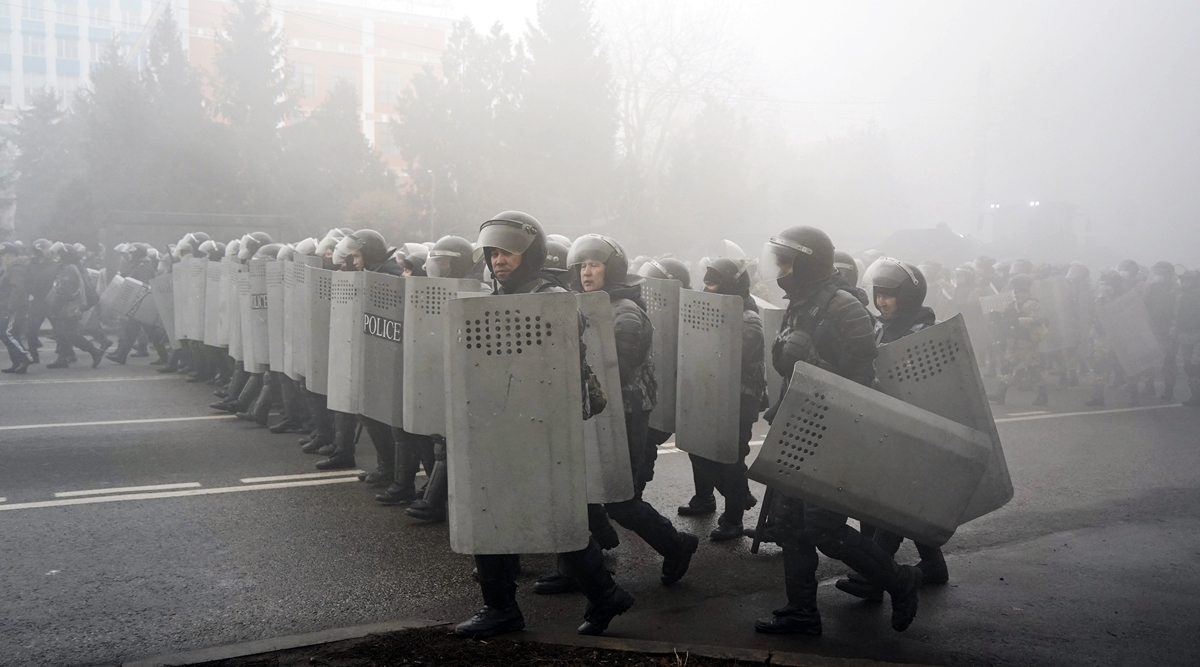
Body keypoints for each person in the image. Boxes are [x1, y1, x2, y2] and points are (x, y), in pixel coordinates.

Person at [454, 211, 635, 639]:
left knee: (542, 516)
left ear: (530, 254)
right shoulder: (495, 295)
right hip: (502, 419)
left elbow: (552, 369)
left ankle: (513, 608)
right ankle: (595, 596)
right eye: (494, 253)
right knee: (510, 510)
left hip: (542, 421)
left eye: (509, 252)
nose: (499, 260)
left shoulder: (553, 298)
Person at [753, 226, 922, 636]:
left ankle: (900, 583)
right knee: (790, 525)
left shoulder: (844, 307)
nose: (782, 270)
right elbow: (784, 362)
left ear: (809, 263)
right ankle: (802, 613)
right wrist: (788, 355)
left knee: (825, 530)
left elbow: (863, 379)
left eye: (789, 261)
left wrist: (812, 359)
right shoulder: (802, 302)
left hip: (837, 428)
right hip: (802, 420)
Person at [536, 234, 698, 594]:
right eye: (582, 265)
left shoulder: (625, 311)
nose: (586, 272)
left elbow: (617, 367)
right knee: (578, 489)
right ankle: (575, 567)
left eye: (594, 264)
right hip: (593, 409)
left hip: (624, 413)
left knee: (620, 499)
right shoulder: (585, 304)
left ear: (613, 270)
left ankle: (676, 545)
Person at [835, 257, 949, 602]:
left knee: (893, 503)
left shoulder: (925, 333)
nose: (881, 301)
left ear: (910, 297)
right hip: (884, 425)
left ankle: (874, 573)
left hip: (914, 430)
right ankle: (932, 566)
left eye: (889, 295)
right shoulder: (882, 327)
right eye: (878, 294)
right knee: (896, 501)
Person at [688, 256, 768, 541]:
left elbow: (740, 355)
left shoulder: (748, 316)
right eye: (707, 283)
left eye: (715, 283)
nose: (709, 289)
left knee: (731, 461)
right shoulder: (710, 311)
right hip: (713, 393)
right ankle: (733, 496)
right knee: (698, 449)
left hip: (740, 400)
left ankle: (733, 520)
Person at [405, 235, 478, 522]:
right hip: (441, 367)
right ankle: (433, 496)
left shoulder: (475, 290)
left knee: (449, 441)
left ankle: (434, 501)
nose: (437, 266)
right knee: (439, 436)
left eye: (445, 261)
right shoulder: (436, 290)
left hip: (465, 373)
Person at [988, 274, 1049, 406]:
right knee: (1007, 366)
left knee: (1034, 369)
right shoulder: (1014, 302)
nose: (1015, 292)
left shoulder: (1031, 303)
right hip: (1014, 340)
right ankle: (1000, 394)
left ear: (1025, 290)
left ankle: (1042, 395)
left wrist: (1017, 321)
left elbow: (1036, 319)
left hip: (1026, 341)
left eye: (1018, 290)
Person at [44, 242, 104, 369]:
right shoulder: (67, 267)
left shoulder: (68, 269)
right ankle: (62, 359)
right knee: (62, 334)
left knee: (70, 335)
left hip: (68, 308)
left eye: (59, 254)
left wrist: (55, 307)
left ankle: (95, 352)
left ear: (65, 255)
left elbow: (64, 291)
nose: (56, 256)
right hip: (68, 307)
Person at [1144, 261, 1179, 399]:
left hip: (1169, 329)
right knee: (1149, 359)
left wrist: (1173, 329)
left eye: (1161, 273)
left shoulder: (1176, 290)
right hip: (1152, 327)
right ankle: (1149, 386)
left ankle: (1169, 389)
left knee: (1169, 360)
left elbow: (1178, 311)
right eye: (1156, 273)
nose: (1158, 276)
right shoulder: (1150, 288)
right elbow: (1143, 305)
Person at [0, 242, 33, 373]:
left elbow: (17, 289)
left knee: (8, 333)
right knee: (8, 334)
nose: (2, 257)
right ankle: (17, 362)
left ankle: (25, 357)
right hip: (8, 306)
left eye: (4, 255)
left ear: (12, 255)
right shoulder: (9, 268)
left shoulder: (17, 268)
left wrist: (10, 308)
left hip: (15, 307)